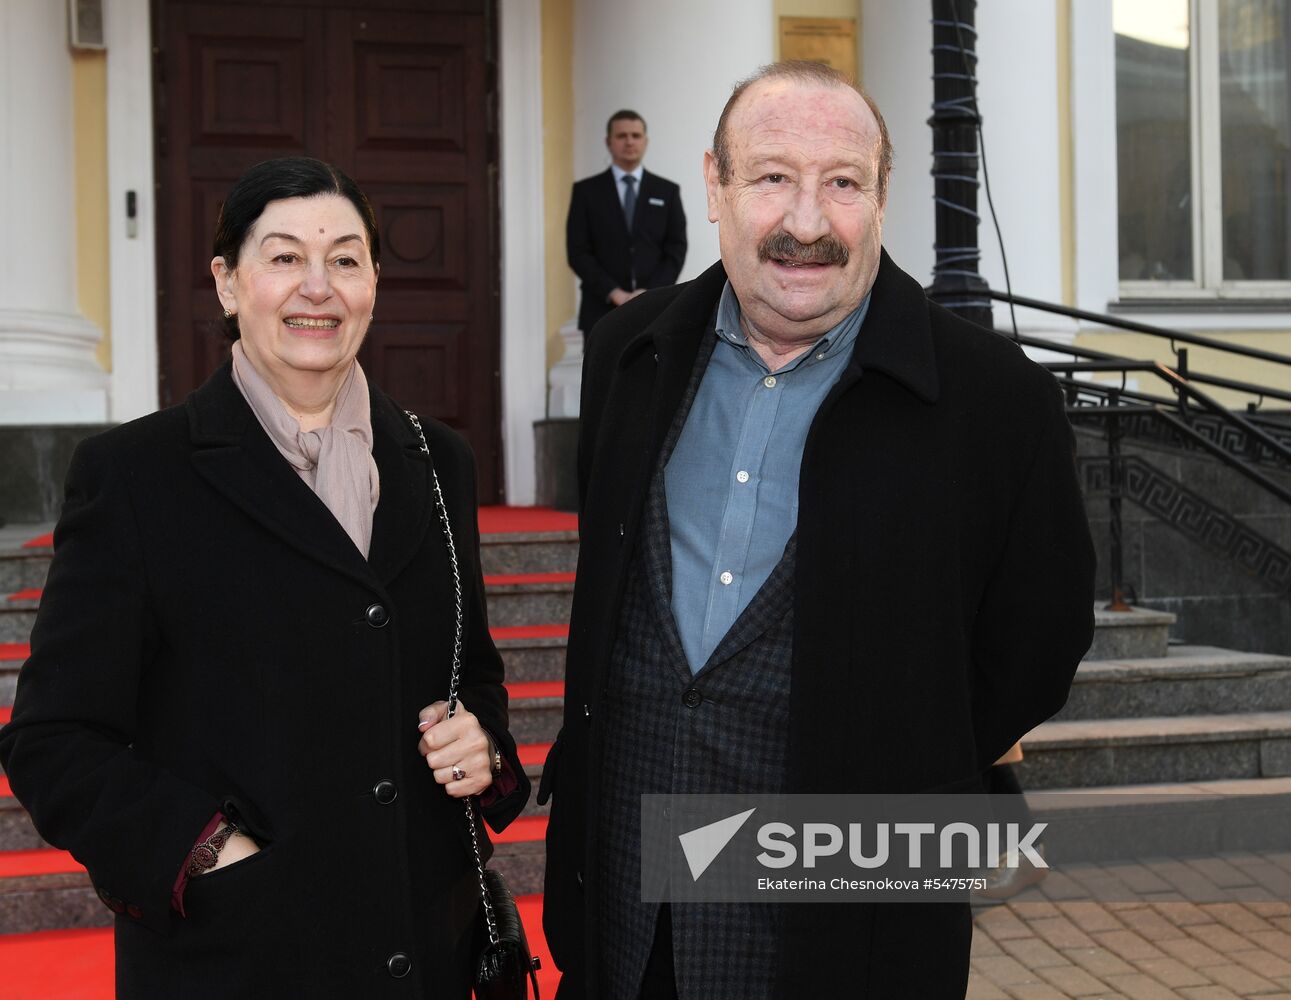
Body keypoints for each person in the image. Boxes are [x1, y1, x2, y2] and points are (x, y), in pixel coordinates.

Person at [540, 62, 1095, 998]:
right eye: (770, 178)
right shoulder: (624, 360)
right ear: (712, 186)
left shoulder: (996, 401)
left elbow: (1035, 642)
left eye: (840, 182)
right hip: (627, 905)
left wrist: (895, 752)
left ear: (881, 198)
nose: (805, 223)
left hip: (848, 917)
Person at [0, 157, 530, 998]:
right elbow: (53, 740)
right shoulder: (136, 475)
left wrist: (483, 743)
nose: (316, 287)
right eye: (284, 257)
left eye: (345, 259)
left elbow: (474, 675)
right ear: (225, 281)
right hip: (241, 956)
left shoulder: (439, 463)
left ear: (373, 284)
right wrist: (203, 849)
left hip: (424, 945)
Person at [566, 109, 688, 337]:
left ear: (645, 141)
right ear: (609, 142)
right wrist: (614, 293)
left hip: (656, 310)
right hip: (600, 312)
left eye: (635, 135)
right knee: (602, 373)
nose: (629, 141)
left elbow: (676, 249)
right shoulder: (586, 192)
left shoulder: (667, 191)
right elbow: (578, 252)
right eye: (622, 136)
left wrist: (650, 293)